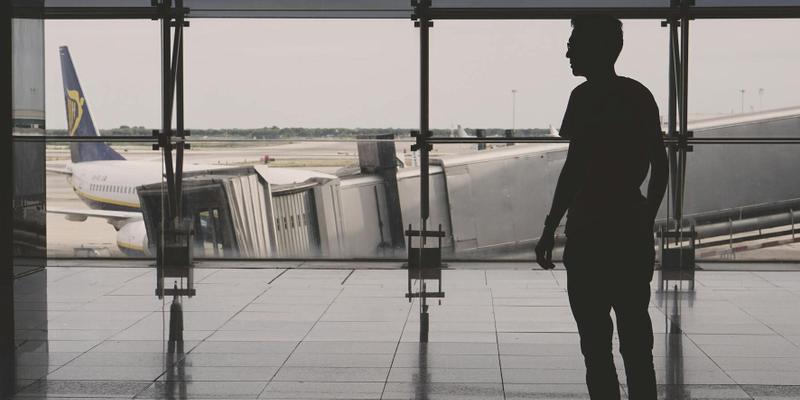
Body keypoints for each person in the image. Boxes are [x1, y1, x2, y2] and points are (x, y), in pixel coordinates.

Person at [535, 15, 669, 400]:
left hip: (588, 228)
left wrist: (550, 226)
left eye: (573, 44)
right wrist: (646, 218)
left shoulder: (583, 99)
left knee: (594, 345)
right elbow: (660, 166)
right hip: (628, 225)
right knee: (635, 340)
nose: (567, 52)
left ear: (595, 48)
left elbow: (574, 169)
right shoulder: (639, 95)